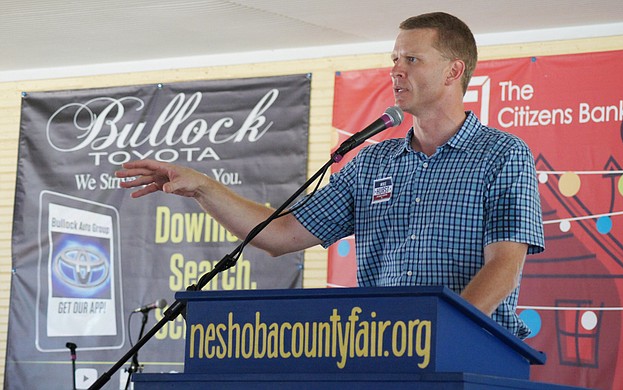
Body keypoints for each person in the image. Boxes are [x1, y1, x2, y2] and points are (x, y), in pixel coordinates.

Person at [116, 12, 544, 339]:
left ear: (454, 71)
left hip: (472, 349)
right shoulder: (371, 164)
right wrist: (202, 187)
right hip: (386, 349)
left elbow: (504, 268)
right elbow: (279, 235)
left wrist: (444, 335)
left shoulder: (503, 155)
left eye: (412, 59)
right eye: (394, 59)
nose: (396, 70)